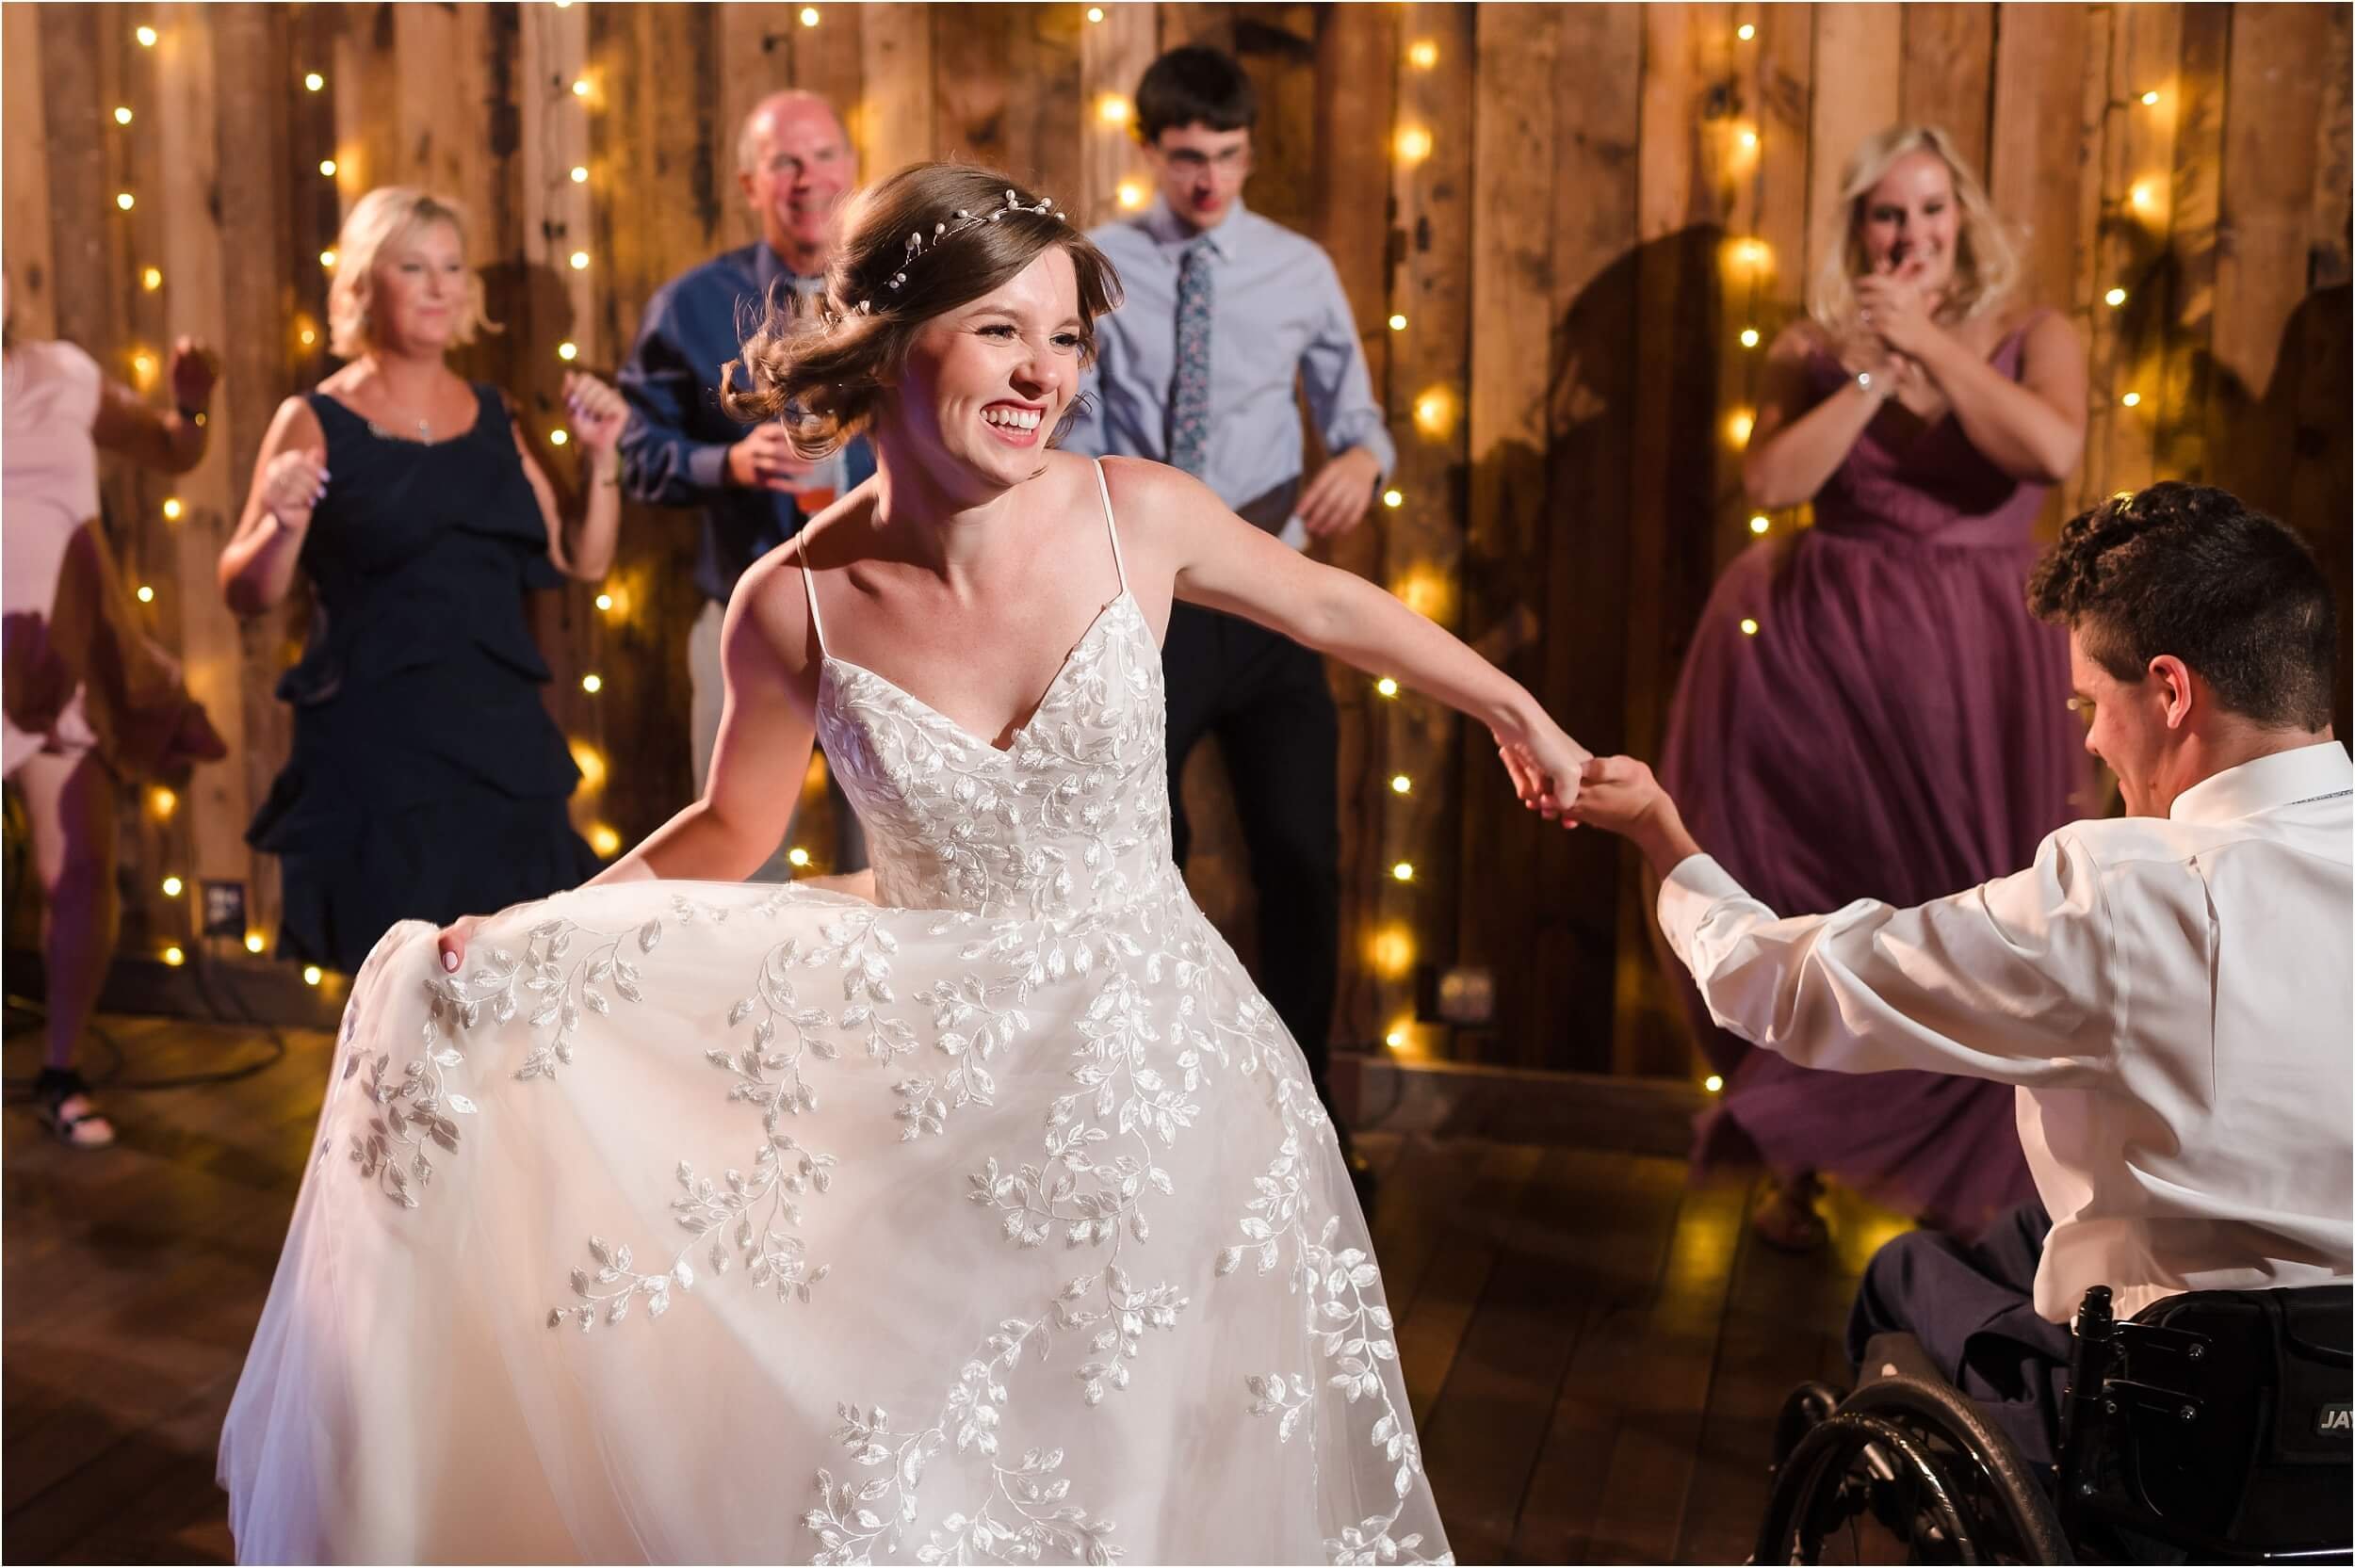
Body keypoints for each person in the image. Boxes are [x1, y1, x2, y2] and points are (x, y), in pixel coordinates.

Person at [220, 162, 1592, 1562]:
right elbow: (728, 830)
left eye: (1065, 339)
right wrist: (536, 927)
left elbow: (1327, 601)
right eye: (1002, 329)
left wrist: (1516, 709)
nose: (1041, 374)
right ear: (890, 335)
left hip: (1167, 1078)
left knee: (1149, 1459)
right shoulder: (794, 601)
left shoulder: (1137, 511)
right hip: (935, 1103)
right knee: (939, 1469)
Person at [1567, 481, 2351, 1467]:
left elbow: (1790, 987)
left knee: (1905, 1272)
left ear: (2170, 691)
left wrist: (1660, 836)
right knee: (2024, 1231)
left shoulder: (2120, 897)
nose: (2090, 742)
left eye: (2091, 705)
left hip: (2181, 1437)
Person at [1660, 124, 2091, 1249]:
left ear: (1965, 222)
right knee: (1822, 896)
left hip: (1983, 659)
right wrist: (1865, 368)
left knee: (1977, 901)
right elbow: (1769, 479)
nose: (1910, 235)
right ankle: (1794, 1160)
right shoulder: (1810, 344)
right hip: (1824, 664)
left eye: (1931, 212)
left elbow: (2048, 451)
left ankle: (1988, 1190)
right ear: (1858, 229)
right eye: (1887, 216)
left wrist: (1931, 351)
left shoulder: (2033, 330)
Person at [1064, 46, 1394, 1182]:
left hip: (1266, 602)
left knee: (1301, 860)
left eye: (1230, 157)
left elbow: (1361, 419)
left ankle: (1307, 1123)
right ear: (1151, 151)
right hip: (1133, 603)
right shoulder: (1094, 265)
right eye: (1190, 158)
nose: (1210, 180)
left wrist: (1361, 459)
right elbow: (1063, 417)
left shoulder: (1299, 269)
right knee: (1139, 863)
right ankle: (1141, 1115)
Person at [219, 186, 625, 976]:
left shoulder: (494, 412)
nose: (441, 287)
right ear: (365, 287)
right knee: (393, 987)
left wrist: (601, 458)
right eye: (414, 267)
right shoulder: (312, 418)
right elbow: (246, 590)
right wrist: (281, 518)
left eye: (451, 266)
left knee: (509, 978)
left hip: (499, 744)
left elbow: (584, 558)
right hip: (376, 748)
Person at [619, 89, 874, 874]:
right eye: (783, 163)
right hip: (743, 620)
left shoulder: (898, 299)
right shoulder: (691, 306)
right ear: (750, 186)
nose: (807, 179)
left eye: (823, 156)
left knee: (890, 863)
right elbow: (635, 451)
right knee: (734, 869)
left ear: (851, 167)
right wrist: (722, 463)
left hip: (884, 618)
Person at [5, 292, 228, 1147]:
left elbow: (176, 447)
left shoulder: (61, 370)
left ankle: (61, 1073)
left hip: (58, 664)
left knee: (83, 866)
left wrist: (193, 397)